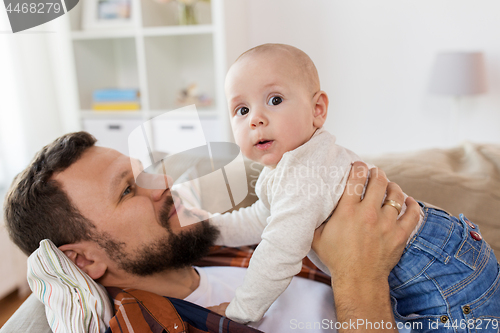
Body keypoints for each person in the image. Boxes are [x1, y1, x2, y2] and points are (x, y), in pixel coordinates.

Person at [4, 131, 420, 332]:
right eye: (128, 190)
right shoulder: (155, 324)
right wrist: (359, 277)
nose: (163, 181)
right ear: (85, 259)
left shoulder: (210, 243)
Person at [208, 43, 500, 329]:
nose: (256, 119)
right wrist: (209, 229)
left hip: (437, 268)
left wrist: (242, 309)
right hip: (441, 257)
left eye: (274, 100)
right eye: (242, 109)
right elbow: (262, 218)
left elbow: (278, 253)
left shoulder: (304, 172)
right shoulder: (286, 171)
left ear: (317, 109)